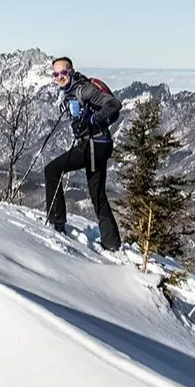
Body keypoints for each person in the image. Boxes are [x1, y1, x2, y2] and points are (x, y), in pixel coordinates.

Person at [41, 56, 123, 251]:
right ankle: (111, 242)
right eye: (56, 74)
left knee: (52, 170)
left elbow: (114, 104)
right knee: (97, 194)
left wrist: (93, 119)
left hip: (94, 145)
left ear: (71, 71)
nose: (60, 77)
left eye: (64, 72)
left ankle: (56, 221)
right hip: (98, 144)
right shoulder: (69, 91)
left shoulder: (83, 89)